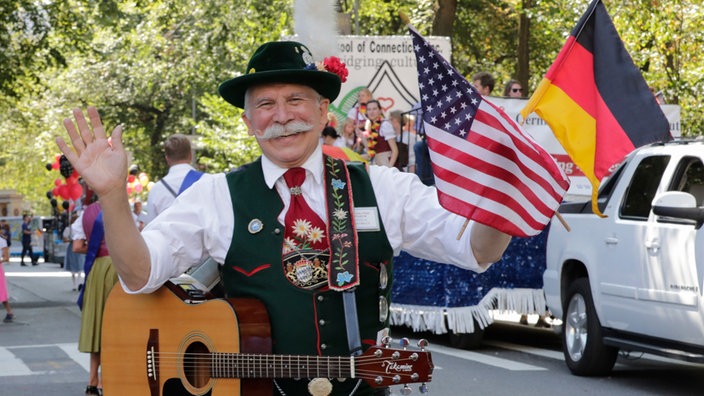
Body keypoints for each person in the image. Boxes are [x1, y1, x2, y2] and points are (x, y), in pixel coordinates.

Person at [57, 40, 512, 396]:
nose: (282, 116)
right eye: (265, 104)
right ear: (248, 121)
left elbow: (477, 248)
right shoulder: (216, 196)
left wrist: (505, 199)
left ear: (322, 112)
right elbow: (138, 276)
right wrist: (113, 195)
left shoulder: (383, 187)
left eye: (296, 99)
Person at [72, 200, 119, 396]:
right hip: (118, 268)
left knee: (98, 324)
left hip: (96, 268)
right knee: (115, 326)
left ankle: (92, 381)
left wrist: (95, 247)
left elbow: (76, 247)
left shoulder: (84, 215)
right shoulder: (121, 208)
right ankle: (108, 379)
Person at [141, 134, 201, 225]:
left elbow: (150, 226)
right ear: (190, 155)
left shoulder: (157, 190)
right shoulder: (208, 181)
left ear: (167, 158)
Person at [363, 99, 398, 168]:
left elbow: (395, 150)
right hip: (377, 163)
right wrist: (362, 137)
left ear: (380, 110)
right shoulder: (371, 127)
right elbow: (371, 151)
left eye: (374, 109)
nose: (371, 112)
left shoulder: (385, 125)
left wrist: (389, 168)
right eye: (369, 109)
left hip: (386, 162)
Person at [63, 211, 85, 291]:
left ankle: (78, 283)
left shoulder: (80, 228)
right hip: (72, 247)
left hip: (79, 245)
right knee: (73, 266)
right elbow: (64, 239)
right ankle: (74, 284)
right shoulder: (69, 229)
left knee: (80, 265)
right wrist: (70, 240)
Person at [0, 235, 14, 323]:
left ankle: (9, 312)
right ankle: (9, 313)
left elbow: (6, 258)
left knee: (2, 293)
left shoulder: (2, 241)